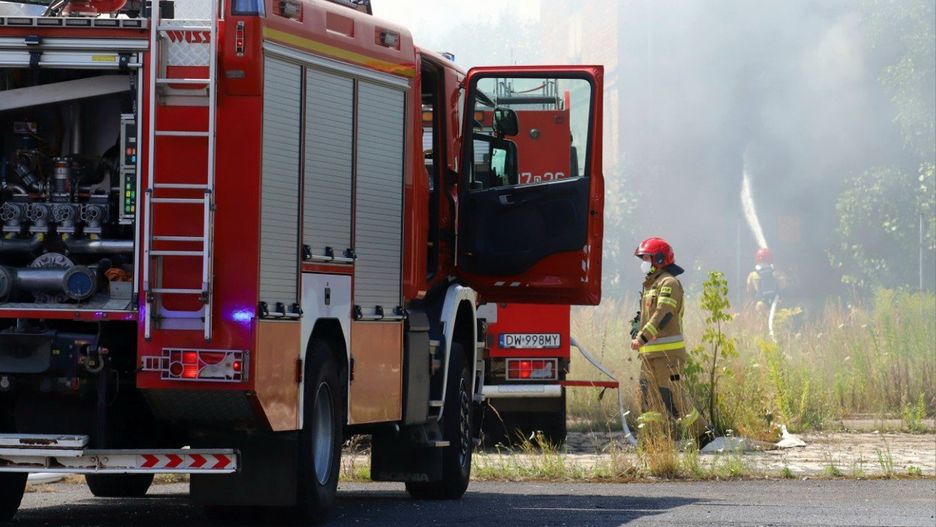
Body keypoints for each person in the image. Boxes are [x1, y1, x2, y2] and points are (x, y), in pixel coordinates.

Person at [629, 237, 706, 444]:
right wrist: (637, 326)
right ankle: (653, 439)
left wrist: (642, 337)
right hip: (649, 355)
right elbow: (649, 315)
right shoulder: (651, 285)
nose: (644, 263)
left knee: (674, 397)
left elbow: (664, 313)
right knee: (649, 399)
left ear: (660, 259)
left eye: (647, 258)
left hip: (668, 355)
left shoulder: (669, 283)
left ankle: (702, 435)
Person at [746, 247, 784, 312]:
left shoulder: (752, 275)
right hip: (776, 302)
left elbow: (749, 290)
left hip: (761, 304)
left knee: (761, 318)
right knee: (779, 317)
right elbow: (782, 286)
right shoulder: (777, 273)